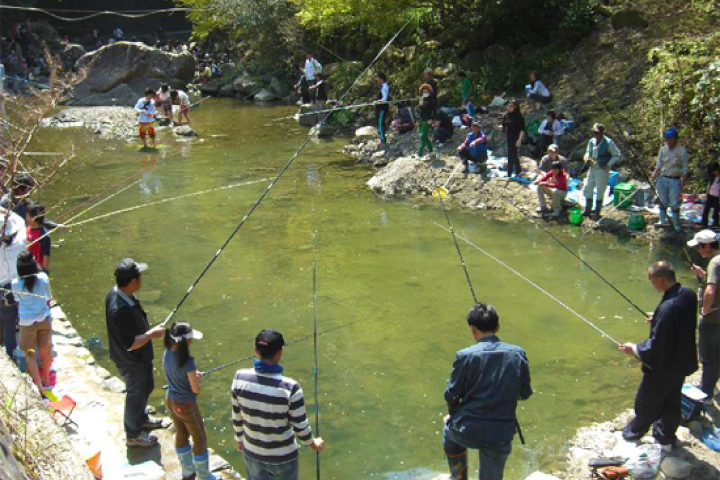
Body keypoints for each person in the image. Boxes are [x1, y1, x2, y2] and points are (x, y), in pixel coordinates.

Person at [443, 303, 532, 480]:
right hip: (500, 433)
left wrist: (452, 415)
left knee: (448, 432)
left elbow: (452, 394)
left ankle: (458, 477)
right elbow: (525, 393)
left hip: (466, 431)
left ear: (473, 329)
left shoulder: (465, 356)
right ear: (497, 327)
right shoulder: (518, 354)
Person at [619, 261, 698, 450]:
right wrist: (658, 318)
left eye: (652, 280)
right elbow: (679, 320)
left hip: (664, 367)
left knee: (646, 402)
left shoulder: (667, 309)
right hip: (682, 362)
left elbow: (657, 346)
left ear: (661, 280)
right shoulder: (687, 294)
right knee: (672, 400)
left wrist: (634, 349)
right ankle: (665, 437)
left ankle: (632, 434)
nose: (651, 283)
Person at [231, 329, 325, 480]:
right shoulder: (290, 387)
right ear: (281, 351)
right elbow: (300, 426)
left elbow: (237, 416)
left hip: (251, 452)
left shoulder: (239, 377)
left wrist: (239, 439)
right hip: (283, 458)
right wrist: (313, 444)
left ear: (256, 351)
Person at [105, 258, 165, 448]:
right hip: (131, 359)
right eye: (139, 276)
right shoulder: (120, 309)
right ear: (132, 281)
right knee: (136, 393)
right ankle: (133, 434)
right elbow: (130, 344)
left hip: (139, 357)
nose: (141, 279)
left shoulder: (118, 294)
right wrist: (151, 334)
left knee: (147, 386)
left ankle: (142, 419)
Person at [163, 322, 216, 480]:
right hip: (185, 404)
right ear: (186, 341)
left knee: (181, 432)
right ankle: (204, 476)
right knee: (200, 437)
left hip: (170, 399)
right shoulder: (188, 362)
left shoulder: (167, 352)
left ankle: (187, 471)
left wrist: (192, 374)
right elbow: (195, 389)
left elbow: (177, 373)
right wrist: (195, 378)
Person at [11, 251, 52, 397]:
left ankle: (40, 387)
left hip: (27, 323)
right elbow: (48, 296)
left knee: (30, 353)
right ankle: (47, 380)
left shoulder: (15, 283)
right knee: (45, 349)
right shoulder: (43, 278)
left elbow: (16, 299)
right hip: (44, 319)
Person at [689, 230, 720, 403]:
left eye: (699, 247)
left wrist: (705, 310)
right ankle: (712, 386)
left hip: (712, 319)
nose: (698, 250)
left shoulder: (714, 263)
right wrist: (704, 276)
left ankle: (706, 393)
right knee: (717, 354)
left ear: (707, 246)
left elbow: (711, 290)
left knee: (708, 357)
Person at [0, 207, 26, 359]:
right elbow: (20, 221)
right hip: (14, 287)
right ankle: (13, 355)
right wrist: (6, 211)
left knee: (5, 320)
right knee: (12, 323)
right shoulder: (19, 243)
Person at [651, 127, 688, 233]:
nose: (668, 141)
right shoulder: (663, 149)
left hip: (675, 180)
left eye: (671, 138)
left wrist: (683, 182)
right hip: (662, 178)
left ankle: (676, 225)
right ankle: (662, 222)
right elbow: (659, 164)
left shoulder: (682, 151)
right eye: (667, 139)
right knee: (662, 201)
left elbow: (685, 168)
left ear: (676, 138)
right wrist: (654, 174)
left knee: (674, 203)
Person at [582, 123, 621, 220]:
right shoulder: (591, 141)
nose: (595, 135)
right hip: (592, 168)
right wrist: (586, 158)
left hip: (602, 169)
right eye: (594, 132)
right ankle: (588, 209)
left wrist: (608, 164)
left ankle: (597, 212)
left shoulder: (609, 142)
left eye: (597, 133)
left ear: (602, 133)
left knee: (600, 190)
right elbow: (587, 152)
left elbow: (617, 155)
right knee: (587, 187)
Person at [498, 99, 526, 178]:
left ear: (515, 107)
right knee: (513, 155)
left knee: (511, 154)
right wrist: (498, 127)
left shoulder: (519, 117)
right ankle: (518, 171)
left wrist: (519, 140)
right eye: (508, 106)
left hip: (516, 138)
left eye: (511, 106)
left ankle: (509, 173)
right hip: (509, 137)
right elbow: (504, 126)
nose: (509, 108)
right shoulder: (506, 115)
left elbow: (522, 130)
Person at [25, 201, 50, 273]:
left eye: (27, 216)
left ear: (34, 218)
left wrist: (43, 273)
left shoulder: (44, 236)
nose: (26, 218)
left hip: (37, 271)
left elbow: (46, 258)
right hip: (26, 267)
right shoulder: (28, 228)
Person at [417, 83, 436, 158]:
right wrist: (418, 121)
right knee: (424, 137)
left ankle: (419, 153)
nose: (425, 93)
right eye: (423, 91)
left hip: (428, 120)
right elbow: (419, 111)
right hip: (421, 120)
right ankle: (431, 151)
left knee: (422, 136)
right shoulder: (421, 99)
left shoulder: (431, 100)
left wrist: (431, 119)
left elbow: (435, 111)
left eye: (426, 91)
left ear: (429, 91)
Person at [702, 162, 720, 228]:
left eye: (715, 171)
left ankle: (715, 224)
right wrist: (706, 194)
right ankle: (704, 224)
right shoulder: (712, 176)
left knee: (716, 211)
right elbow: (709, 185)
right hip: (710, 195)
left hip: (717, 196)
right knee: (706, 209)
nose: (714, 173)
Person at [375, 73, 390, 147]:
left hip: (382, 108)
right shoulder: (383, 86)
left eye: (377, 78)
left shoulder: (385, 87)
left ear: (381, 79)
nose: (376, 80)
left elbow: (384, 99)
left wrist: (377, 101)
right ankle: (381, 140)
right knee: (379, 123)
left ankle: (383, 141)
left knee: (380, 124)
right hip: (380, 108)